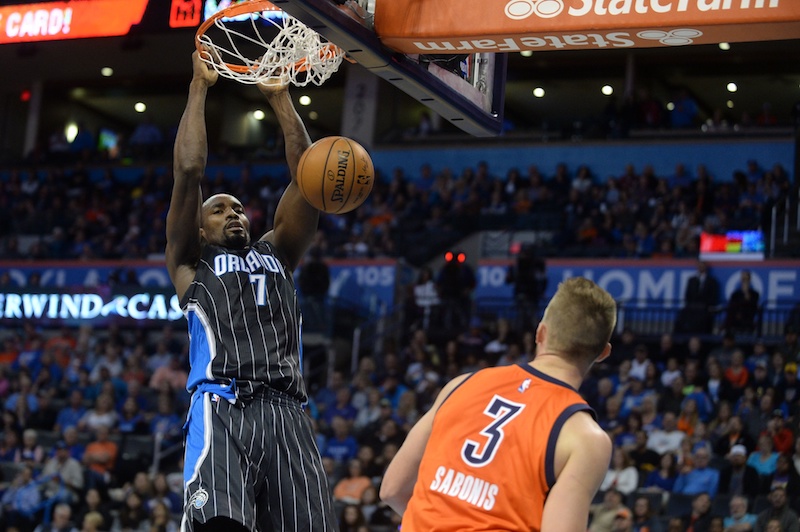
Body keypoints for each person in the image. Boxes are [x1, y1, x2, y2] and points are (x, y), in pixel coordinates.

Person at [166, 50, 336, 531]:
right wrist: (199, 87)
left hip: (288, 413)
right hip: (222, 406)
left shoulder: (277, 251)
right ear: (199, 229)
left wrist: (280, 96)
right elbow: (189, 172)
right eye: (219, 210)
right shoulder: (190, 264)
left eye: (238, 208)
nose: (233, 213)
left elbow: (309, 176)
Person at [380, 277, 617, 531]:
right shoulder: (585, 437)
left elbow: (392, 489)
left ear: (540, 333)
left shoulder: (462, 384)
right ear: (603, 352)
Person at [675, 261, 720, 335]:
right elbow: (688, 295)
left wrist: (707, 306)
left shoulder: (712, 281)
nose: (701, 267)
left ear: (706, 268)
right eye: (699, 266)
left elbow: (713, 296)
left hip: (705, 309)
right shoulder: (691, 280)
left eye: (703, 266)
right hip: (692, 308)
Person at [724, 270, 760, 334]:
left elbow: (752, 305)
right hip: (735, 321)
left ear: (749, 280)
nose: (744, 281)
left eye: (746, 279)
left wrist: (746, 292)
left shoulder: (755, 294)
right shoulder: (735, 294)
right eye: (743, 279)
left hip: (748, 320)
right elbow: (732, 306)